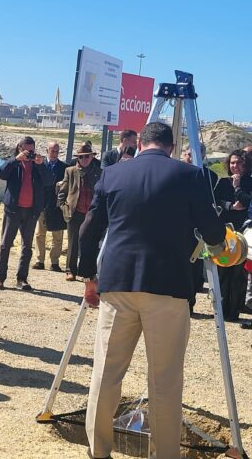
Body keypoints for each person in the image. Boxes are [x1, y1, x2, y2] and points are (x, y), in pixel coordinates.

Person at [78, 122, 225, 459]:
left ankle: (97, 452)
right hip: (168, 286)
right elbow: (213, 232)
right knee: (165, 381)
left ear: (140, 144)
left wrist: (89, 276)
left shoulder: (113, 175)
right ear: (171, 147)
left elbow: (88, 230)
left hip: (117, 285)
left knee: (106, 373)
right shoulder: (190, 176)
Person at [0, 136, 53, 291]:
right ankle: (0, 278)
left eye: (32, 151)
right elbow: (1, 173)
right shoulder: (14, 163)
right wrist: (15, 160)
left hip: (31, 211)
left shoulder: (38, 165)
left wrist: (41, 165)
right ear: (19, 148)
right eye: (26, 150)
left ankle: (22, 279)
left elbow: (49, 181)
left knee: (27, 246)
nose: (29, 154)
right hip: (13, 209)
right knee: (5, 244)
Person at [213, 149, 252, 321]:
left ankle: (233, 311)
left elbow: (247, 202)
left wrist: (237, 187)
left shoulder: (249, 183)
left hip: (243, 235)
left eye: (238, 163)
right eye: (232, 162)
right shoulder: (222, 182)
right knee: (222, 269)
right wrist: (229, 206)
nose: (235, 166)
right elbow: (215, 201)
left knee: (238, 274)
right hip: (225, 233)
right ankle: (220, 308)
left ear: (246, 165)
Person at [182, 142, 219, 314]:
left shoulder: (210, 176)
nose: (190, 157)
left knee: (194, 264)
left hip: (197, 228)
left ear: (202, 156)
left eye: (194, 154)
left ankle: (190, 302)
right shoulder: (175, 172)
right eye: (188, 154)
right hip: (177, 224)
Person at [57, 143, 102, 281]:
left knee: (89, 243)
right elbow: (62, 192)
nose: (84, 159)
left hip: (91, 213)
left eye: (87, 156)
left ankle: (85, 272)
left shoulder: (98, 172)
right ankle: (70, 270)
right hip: (74, 212)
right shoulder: (70, 171)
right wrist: (65, 207)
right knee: (73, 243)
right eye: (81, 157)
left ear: (92, 157)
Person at [32, 141, 67, 272]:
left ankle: (55, 262)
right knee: (40, 233)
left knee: (57, 235)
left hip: (57, 205)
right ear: (47, 151)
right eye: (52, 151)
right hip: (42, 203)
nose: (54, 154)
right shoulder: (40, 165)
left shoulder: (64, 167)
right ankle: (39, 260)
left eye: (57, 151)